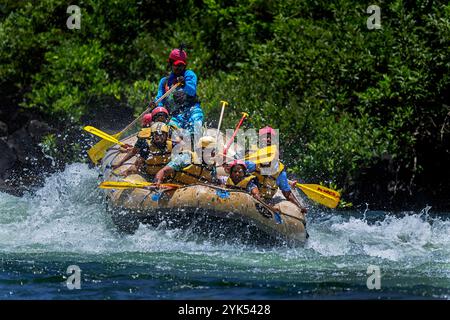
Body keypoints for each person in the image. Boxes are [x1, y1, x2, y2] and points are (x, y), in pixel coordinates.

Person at [246, 126, 307, 213]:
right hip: (250, 195)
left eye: (270, 138)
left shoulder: (279, 171)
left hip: (265, 199)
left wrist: (300, 206)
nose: (268, 140)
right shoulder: (251, 160)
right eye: (265, 137)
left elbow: (287, 194)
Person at [150, 46, 203, 138]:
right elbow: (160, 99)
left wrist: (184, 83)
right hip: (176, 115)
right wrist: (155, 105)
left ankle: (195, 139)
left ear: (185, 65)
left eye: (181, 65)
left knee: (196, 122)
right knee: (171, 132)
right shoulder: (164, 82)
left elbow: (191, 91)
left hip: (192, 110)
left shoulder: (189, 75)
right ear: (170, 64)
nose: (179, 68)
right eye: (176, 65)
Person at [153, 136, 218, 187]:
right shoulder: (186, 157)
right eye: (211, 151)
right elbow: (164, 171)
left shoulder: (211, 167)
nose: (214, 154)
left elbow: (213, 184)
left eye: (214, 151)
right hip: (175, 192)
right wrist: (157, 182)